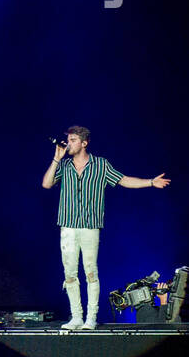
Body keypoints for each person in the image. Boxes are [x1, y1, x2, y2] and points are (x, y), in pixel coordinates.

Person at [40, 126, 170, 330]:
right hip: (67, 227)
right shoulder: (64, 166)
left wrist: (151, 182)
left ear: (84, 143)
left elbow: (124, 180)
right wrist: (56, 158)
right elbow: (46, 184)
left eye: (73, 140)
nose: (69, 143)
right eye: (69, 139)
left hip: (90, 227)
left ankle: (91, 318)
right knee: (70, 274)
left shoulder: (101, 165)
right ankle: (76, 317)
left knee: (91, 272)